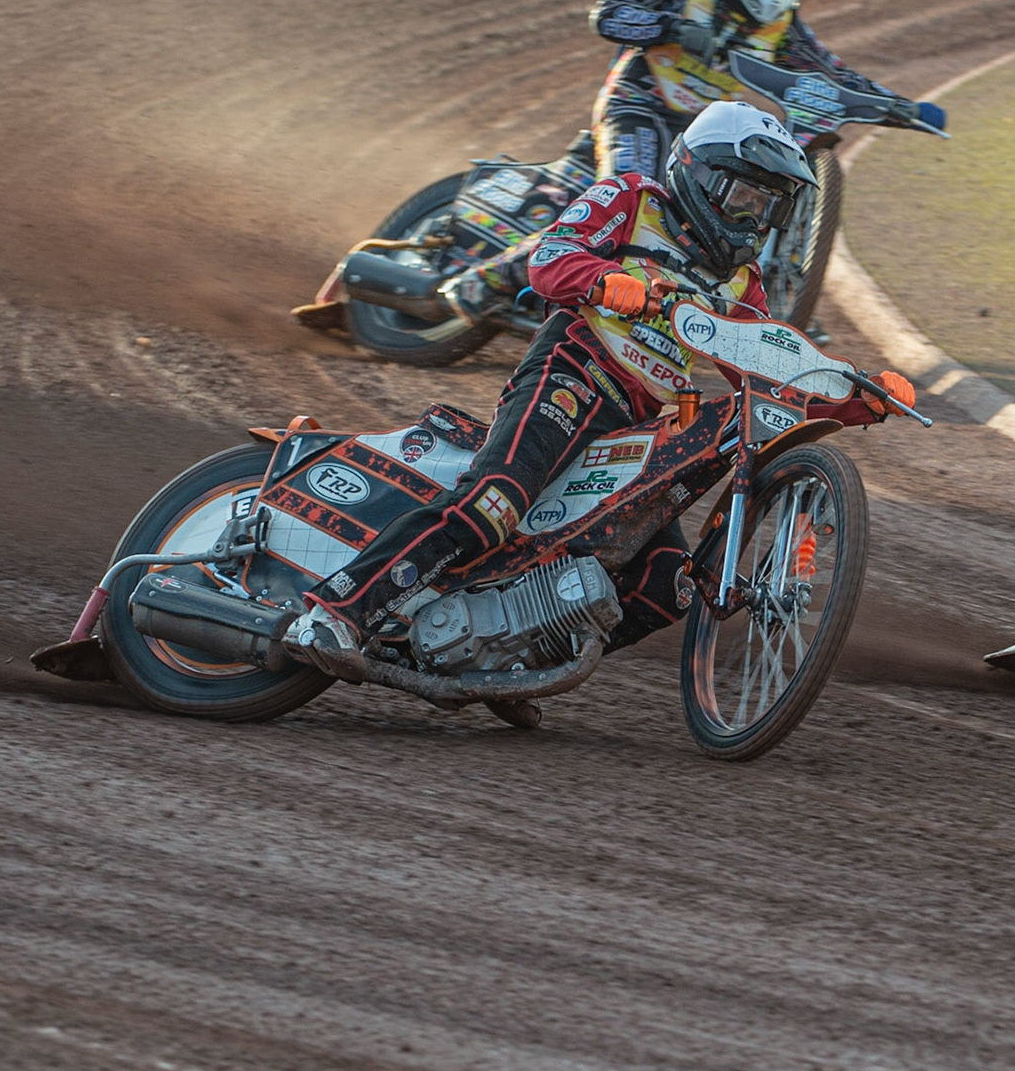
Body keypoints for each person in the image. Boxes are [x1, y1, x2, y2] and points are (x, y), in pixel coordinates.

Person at [291, 101, 915, 663]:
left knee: (666, 584)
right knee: (493, 505)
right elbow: (548, 260)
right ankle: (335, 613)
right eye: (745, 197)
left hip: (645, 429)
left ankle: (518, 657)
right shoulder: (632, 198)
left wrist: (854, 394)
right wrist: (606, 282)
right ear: (699, 172)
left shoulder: (741, 282)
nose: (754, 220)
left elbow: (763, 361)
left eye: (769, 206)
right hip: (573, 374)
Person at [440, 0, 944, 323]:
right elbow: (609, 13)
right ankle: (484, 280)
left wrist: (901, 106)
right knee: (631, 201)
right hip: (637, 105)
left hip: (698, 139)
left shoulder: (782, 27)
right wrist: (671, 29)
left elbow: (830, 72)